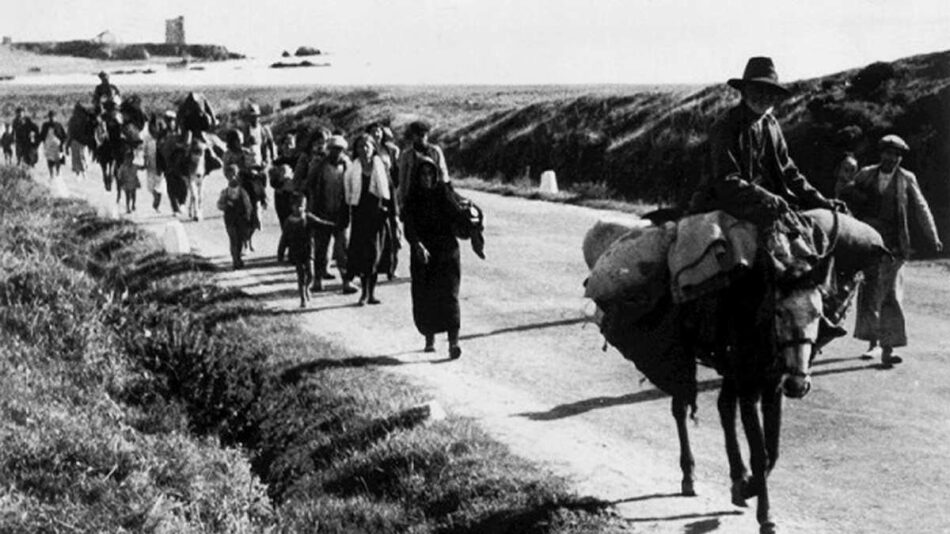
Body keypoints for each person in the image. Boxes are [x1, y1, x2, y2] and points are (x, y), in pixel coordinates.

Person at [839, 135, 943, 366]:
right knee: (869, 293)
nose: (892, 158)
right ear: (881, 154)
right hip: (869, 244)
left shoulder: (906, 179)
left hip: (895, 245)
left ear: (900, 157)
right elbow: (846, 196)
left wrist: (933, 235)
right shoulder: (866, 174)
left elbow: (921, 207)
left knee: (892, 295)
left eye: (896, 154)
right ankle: (872, 343)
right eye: (888, 152)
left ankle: (887, 348)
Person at [403, 157, 485, 359]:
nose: (427, 178)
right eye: (423, 174)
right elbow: (409, 226)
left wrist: (474, 227)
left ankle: (453, 343)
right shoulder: (412, 198)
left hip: (446, 250)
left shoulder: (443, 194)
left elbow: (459, 216)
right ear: (416, 176)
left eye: (431, 173)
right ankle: (429, 338)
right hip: (423, 253)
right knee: (425, 296)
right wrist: (416, 245)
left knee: (449, 295)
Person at [305, 134, 357, 294]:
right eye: (333, 149)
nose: (336, 152)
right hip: (323, 212)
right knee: (321, 248)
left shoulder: (348, 166)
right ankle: (318, 280)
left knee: (343, 249)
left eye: (339, 149)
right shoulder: (319, 165)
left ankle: (346, 281)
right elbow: (309, 185)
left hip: (342, 213)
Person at [345, 134, 392, 305]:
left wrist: (390, 211)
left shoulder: (380, 167)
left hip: (377, 215)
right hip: (359, 215)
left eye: (367, 146)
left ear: (373, 148)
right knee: (362, 255)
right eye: (360, 146)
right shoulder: (352, 169)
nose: (364, 149)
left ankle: (371, 293)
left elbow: (389, 191)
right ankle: (364, 293)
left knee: (375, 254)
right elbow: (348, 192)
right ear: (356, 150)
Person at [281, 193, 334, 308]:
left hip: (308, 251)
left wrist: (333, 226)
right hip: (296, 252)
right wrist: (280, 253)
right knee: (301, 276)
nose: (301, 208)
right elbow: (284, 239)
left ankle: (307, 287)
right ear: (292, 207)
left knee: (311, 274)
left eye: (303, 205)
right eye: (298, 206)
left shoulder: (308, 218)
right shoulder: (289, 222)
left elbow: (321, 224)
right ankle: (302, 298)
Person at [396, 120, 450, 212]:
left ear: (427, 136)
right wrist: (402, 202)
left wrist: (445, 192)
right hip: (413, 196)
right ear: (413, 136)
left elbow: (443, 171)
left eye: (423, 135)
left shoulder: (435, 151)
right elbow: (402, 179)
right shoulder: (407, 154)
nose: (421, 138)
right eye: (418, 135)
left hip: (433, 194)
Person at [217, 164, 253, 270]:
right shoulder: (225, 192)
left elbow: (248, 205)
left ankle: (238, 257)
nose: (232, 177)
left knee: (240, 239)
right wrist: (226, 205)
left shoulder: (242, 191)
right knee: (233, 239)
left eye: (234, 175)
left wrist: (248, 216)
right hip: (230, 219)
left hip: (241, 219)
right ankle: (235, 260)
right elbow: (219, 205)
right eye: (229, 175)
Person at [270, 164, 296, 262]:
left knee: (288, 232)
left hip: (287, 210)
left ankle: (287, 254)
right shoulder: (281, 183)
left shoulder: (281, 183)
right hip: (285, 211)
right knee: (288, 232)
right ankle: (285, 254)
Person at [241, 103, 275, 168]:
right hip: (252, 159)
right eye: (252, 117)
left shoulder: (264, 129)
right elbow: (244, 145)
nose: (254, 119)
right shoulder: (246, 130)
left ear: (258, 117)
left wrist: (271, 157)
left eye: (255, 116)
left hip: (264, 159)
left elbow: (270, 143)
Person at [143, 115, 165, 212]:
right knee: (151, 187)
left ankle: (157, 204)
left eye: (156, 127)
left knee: (160, 187)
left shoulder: (162, 138)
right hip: (151, 165)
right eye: (152, 127)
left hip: (161, 165)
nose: (154, 129)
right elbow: (145, 152)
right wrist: (144, 163)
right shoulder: (147, 138)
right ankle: (155, 199)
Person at [39, 110, 67, 180]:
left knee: (58, 159)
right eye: (51, 117)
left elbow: (63, 135)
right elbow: (42, 135)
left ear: (55, 117)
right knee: (49, 160)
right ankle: (51, 175)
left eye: (53, 117)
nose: (52, 118)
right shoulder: (45, 125)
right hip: (48, 146)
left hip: (57, 146)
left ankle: (58, 172)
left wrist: (63, 143)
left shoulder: (58, 125)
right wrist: (38, 142)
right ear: (49, 117)